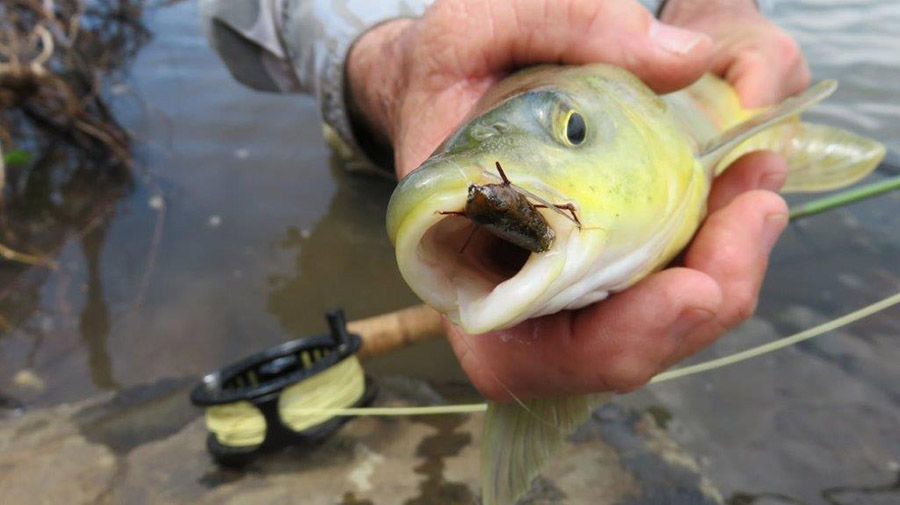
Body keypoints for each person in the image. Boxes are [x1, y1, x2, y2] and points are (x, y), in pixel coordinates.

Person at [201, 0, 810, 400]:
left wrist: (713, 10)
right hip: (385, 120)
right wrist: (384, 66)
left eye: (571, 134)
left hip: (652, 80)